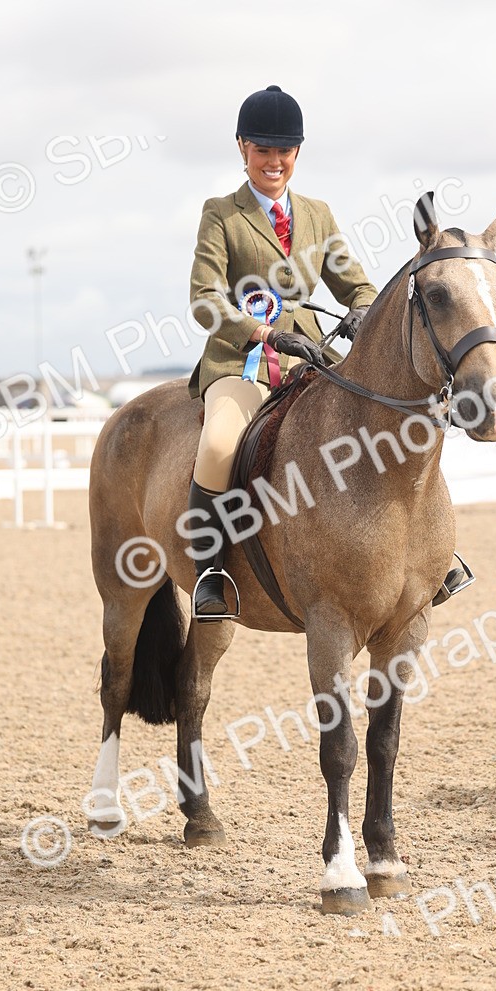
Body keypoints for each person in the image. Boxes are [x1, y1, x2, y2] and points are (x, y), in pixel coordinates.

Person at [186, 84, 377, 619]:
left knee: (383, 417)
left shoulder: (318, 214)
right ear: (242, 148)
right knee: (219, 444)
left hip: (311, 355)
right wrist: (264, 335)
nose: (274, 161)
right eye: (263, 150)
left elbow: (358, 286)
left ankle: (426, 554)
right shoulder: (221, 213)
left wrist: (361, 311)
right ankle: (210, 573)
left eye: (284, 151)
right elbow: (203, 300)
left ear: (297, 152)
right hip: (241, 359)